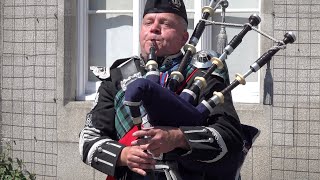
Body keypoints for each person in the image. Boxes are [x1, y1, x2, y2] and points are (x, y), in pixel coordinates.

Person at [79, 0, 259, 179]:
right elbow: (88, 139)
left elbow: (230, 136)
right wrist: (123, 155)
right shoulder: (117, 76)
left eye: (165, 23)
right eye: (148, 22)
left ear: (184, 37)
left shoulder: (204, 74)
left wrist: (178, 138)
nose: (154, 28)